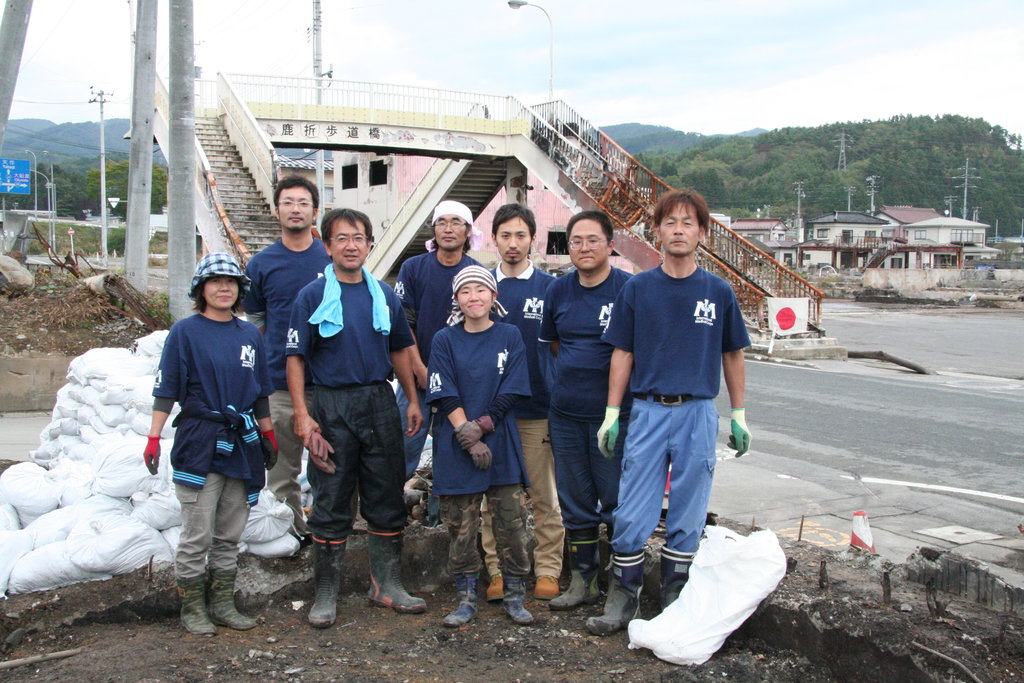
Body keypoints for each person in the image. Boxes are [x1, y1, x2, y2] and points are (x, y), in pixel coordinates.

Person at [587, 189, 752, 636]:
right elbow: (622, 353)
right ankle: (624, 594)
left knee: (690, 505)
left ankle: (677, 593)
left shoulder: (717, 291)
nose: (678, 230)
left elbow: (733, 354)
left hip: (698, 411)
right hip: (648, 410)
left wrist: (738, 413)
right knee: (633, 507)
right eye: (670, 222)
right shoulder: (638, 288)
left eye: (688, 223)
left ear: (702, 232)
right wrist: (612, 411)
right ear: (656, 231)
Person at [285, 208, 426, 628]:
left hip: (380, 402)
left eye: (359, 237)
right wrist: (303, 416)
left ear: (368, 245)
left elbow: (401, 348)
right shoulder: (312, 296)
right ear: (326, 246)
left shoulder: (383, 295)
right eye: (342, 238)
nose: (351, 245)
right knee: (330, 496)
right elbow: (295, 358)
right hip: (330, 404)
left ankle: (387, 585)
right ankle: (325, 592)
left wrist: (413, 400)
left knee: (386, 493)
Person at [144, 252, 277, 636]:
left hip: (240, 442)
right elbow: (165, 390)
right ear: (201, 289)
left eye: (231, 282)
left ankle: (222, 603)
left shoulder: (250, 334)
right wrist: (154, 437)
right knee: (197, 531)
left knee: (230, 531)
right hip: (200, 439)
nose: (224, 287)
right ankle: (192, 607)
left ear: (240, 290)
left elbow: (261, 392)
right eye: (215, 281)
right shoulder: (185, 333)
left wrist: (267, 435)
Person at [427, 265, 534, 627]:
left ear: (493, 295)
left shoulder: (510, 335)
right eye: (466, 291)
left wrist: (484, 426)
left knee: (512, 524)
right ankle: (466, 596)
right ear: (456, 299)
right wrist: (468, 437)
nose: (474, 297)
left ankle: (516, 593)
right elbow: (444, 392)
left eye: (481, 290)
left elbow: (513, 388)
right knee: (460, 525)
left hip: (500, 440)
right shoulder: (444, 339)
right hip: (458, 445)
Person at [538, 210, 633, 611]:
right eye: (576, 241)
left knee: (615, 500)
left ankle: (621, 586)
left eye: (593, 240)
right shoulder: (558, 291)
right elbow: (555, 345)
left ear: (610, 245)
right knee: (574, 499)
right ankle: (582, 580)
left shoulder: (630, 289)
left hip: (615, 415)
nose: (584, 248)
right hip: (565, 414)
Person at [480, 203, 563, 602]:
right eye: (505, 235)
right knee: (490, 498)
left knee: (544, 495)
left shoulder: (549, 288)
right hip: (489, 414)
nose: (513, 244)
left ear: (533, 239)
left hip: (536, 410)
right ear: (493, 238)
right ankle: (496, 570)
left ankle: (548, 569)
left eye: (520, 235)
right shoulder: (480, 287)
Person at [243, 176, 331, 544]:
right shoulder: (262, 264)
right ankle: (293, 533)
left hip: (330, 381)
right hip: (280, 383)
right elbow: (257, 322)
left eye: (303, 202)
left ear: (315, 210)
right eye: (288, 202)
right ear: (277, 209)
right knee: (283, 468)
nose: (296, 209)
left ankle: (331, 530)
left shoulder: (330, 257)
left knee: (332, 464)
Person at [394, 200, 481, 478]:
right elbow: (404, 323)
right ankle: (393, 513)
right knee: (403, 446)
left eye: (456, 222)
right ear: (433, 230)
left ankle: (440, 517)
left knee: (452, 450)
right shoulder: (413, 268)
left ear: (468, 231)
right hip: (416, 379)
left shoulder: (475, 273)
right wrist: (419, 368)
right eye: (441, 222)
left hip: (458, 382)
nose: (448, 229)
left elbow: (480, 328)